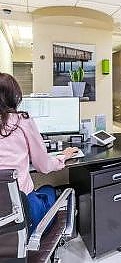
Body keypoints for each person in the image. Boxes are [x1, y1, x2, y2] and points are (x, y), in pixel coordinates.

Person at [0, 73, 78, 234]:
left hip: (4, 221)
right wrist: (63, 156)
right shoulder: (21, 121)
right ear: (14, 97)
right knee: (49, 189)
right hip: (23, 215)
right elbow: (44, 166)